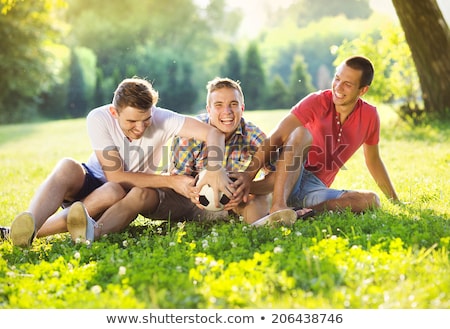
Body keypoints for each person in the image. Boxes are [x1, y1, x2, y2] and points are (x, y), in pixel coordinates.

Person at [4, 77, 233, 247]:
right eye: (132, 121)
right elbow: (115, 174)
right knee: (67, 166)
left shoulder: (164, 118)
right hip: (91, 180)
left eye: (146, 120)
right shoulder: (99, 117)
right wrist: (171, 181)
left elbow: (214, 135)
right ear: (114, 112)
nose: (140, 128)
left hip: (115, 196)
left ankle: (17, 235)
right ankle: (29, 224)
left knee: (113, 191)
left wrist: (213, 167)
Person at [244, 55, 399, 225]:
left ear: (362, 90)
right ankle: (278, 206)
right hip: (288, 170)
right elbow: (276, 136)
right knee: (302, 133)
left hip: (315, 188)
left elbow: (373, 160)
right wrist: (247, 175)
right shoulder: (317, 101)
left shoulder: (369, 116)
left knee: (371, 200)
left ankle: (303, 212)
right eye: (337, 78)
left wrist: (394, 200)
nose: (338, 87)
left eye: (347, 84)